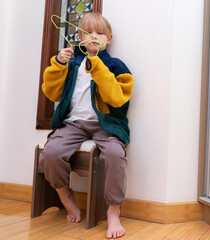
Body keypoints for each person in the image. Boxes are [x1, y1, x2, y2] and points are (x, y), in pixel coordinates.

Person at [39, 12, 133, 239]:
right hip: (74, 124)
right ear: (80, 37)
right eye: (88, 33)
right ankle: (65, 196)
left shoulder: (115, 65)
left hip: (106, 124)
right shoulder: (71, 62)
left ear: (108, 39)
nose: (93, 37)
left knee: (114, 153)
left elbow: (118, 98)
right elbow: (51, 92)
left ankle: (113, 210)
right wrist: (58, 64)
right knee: (50, 153)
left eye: (99, 33)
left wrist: (98, 66)